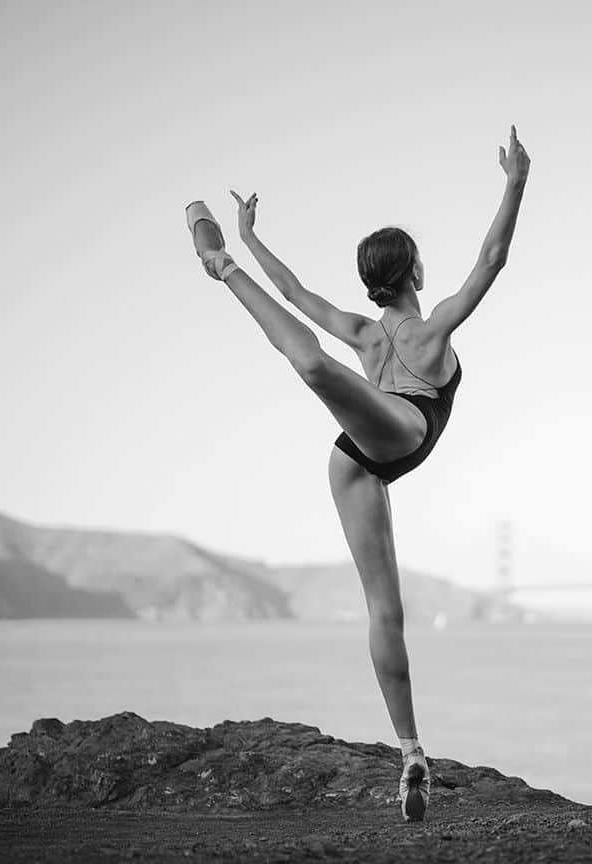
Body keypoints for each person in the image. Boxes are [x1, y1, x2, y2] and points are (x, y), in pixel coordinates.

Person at [184, 125, 530, 821]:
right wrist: (516, 181)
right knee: (311, 364)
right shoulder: (425, 331)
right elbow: (491, 261)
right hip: (396, 435)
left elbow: (295, 289)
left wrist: (254, 238)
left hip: (353, 463)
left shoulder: (363, 331)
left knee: (388, 611)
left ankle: (410, 752)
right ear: (416, 275)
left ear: (373, 283)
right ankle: (217, 265)